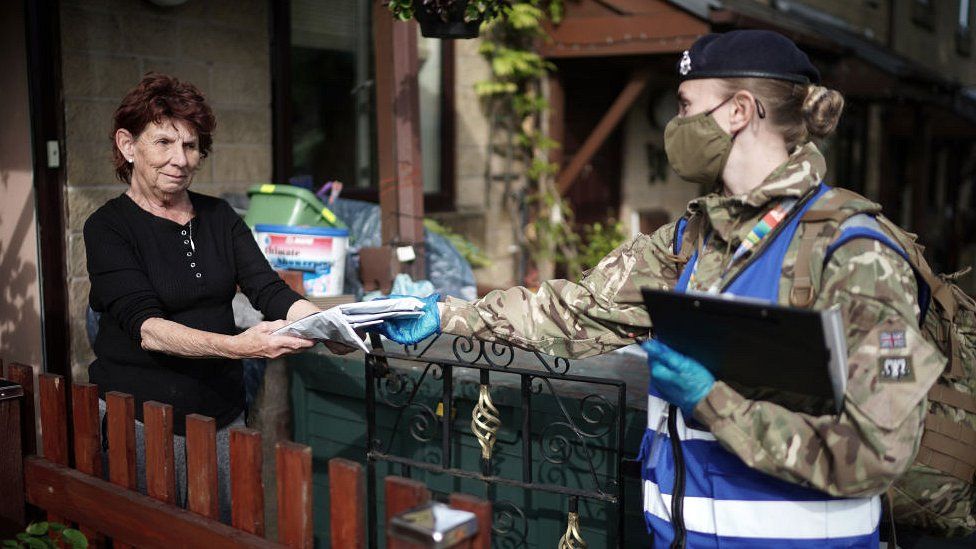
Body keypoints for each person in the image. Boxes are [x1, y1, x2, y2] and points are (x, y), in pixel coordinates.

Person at [374, 31, 946, 547]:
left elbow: (877, 453)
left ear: (739, 111)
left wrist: (709, 398)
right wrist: (443, 313)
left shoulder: (855, 252)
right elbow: (577, 311)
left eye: (686, 107)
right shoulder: (692, 238)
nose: (676, 126)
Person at [85, 73, 326, 522]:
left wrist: (326, 324)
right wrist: (239, 347)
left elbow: (268, 289)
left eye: (191, 146)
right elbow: (148, 329)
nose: (181, 160)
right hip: (140, 422)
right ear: (127, 145)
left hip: (220, 419)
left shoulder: (220, 217)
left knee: (222, 531)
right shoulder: (108, 227)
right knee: (147, 533)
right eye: (164, 142)